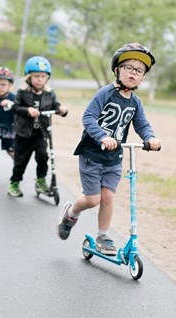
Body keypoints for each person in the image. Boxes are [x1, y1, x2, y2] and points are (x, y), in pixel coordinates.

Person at [57, 42, 161, 255]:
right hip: (92, 154)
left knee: (108, 197)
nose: (133, 73)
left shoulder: (136, 102)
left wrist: (150, 138)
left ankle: (103, 236)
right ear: (117, 70)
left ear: (142, 77)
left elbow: (142, 124)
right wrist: (102, 136)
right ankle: (71, 213)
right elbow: (88, 117)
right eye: (129, 68)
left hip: (114, 157)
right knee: (93, 199)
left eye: (139, 71)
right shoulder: (106, 93)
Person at [8, 56, 68, 197]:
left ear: (47, 77)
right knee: (20, 160)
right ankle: (14, 183)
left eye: (43, 76)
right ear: (29, 77)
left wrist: (61, 109)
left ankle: (41, 181)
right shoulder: (23, 93)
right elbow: (16, 107)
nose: (39, 79)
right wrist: (27, 110)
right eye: (36, 76)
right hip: (24, 134)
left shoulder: (49, 94)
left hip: (41, 133)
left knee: (43, 156)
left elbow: (55, 106)